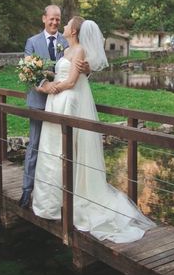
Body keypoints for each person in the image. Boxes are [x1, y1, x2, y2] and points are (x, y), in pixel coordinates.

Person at [32, 17, 155, 243]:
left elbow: (70, 82)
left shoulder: (78, 51)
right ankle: (53, 199)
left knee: (67, 148)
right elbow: (61, 75)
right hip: (57, 100)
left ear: (75, 31)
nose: (64, 26)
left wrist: (49, 89)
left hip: (66, 99)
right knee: (53, 148)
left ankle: (71, 196)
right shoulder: (67, 48)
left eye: (68, 24)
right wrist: (45, 81)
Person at [19, 5, 69, 208]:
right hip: (39, 103)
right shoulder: (32, 42)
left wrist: (87, 70)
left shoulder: (66, 41)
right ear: (44, 19)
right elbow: (26, 71)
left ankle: (57, 194)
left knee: (59, 149)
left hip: (60, 103)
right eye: (52, 19)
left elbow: (75, 67)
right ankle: (26, 191)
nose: (55, 22)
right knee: (35, 145)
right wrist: (43, 86)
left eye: (58, 19)